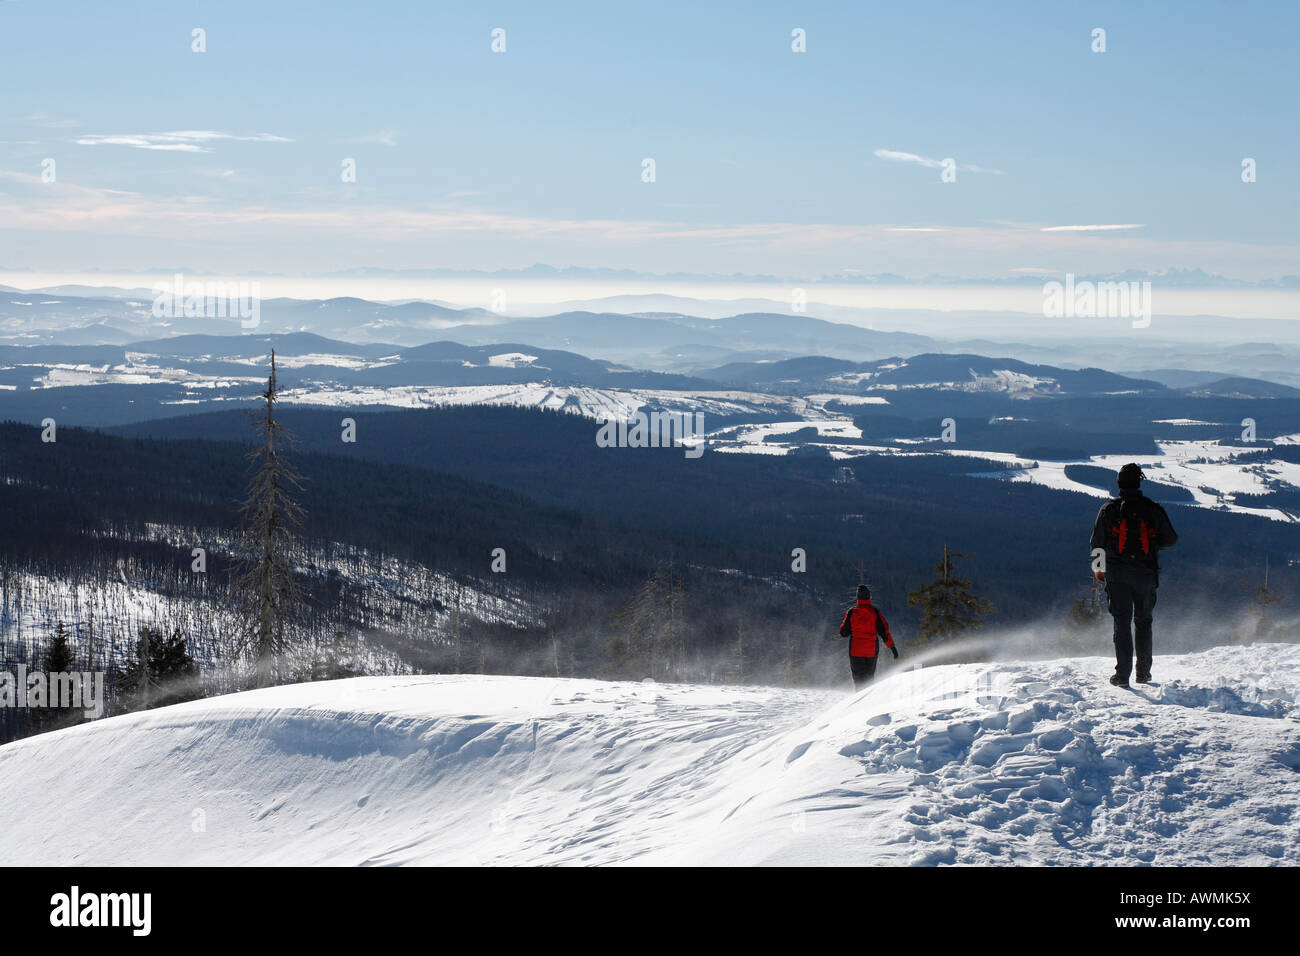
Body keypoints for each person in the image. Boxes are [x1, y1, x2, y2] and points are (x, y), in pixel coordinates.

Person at [1089, 463, 1178, 687]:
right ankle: (1143, 673)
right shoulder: (1152, 508)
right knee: (1144, 622)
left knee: (1121, 623)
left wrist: (1099, 569)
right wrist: (1152, 545)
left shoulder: (1108, 510)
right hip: (1145, 574)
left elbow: (1096, 543)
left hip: (1117, 575)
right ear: (1139, 482)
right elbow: (1171, 539)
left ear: (1119, 484)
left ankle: (1122, 675)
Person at [837, 585, 898, 690]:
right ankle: (868, 701)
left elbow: (843, 633)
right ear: (869, 597)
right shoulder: (875, 612)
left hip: (855, 651)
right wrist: (892, 648)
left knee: (858, 680)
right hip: (871, 651)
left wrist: (853, 629)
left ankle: (859, 701)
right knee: (869, 679)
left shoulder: (851, 612)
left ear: (858, 597)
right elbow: (884, 632)